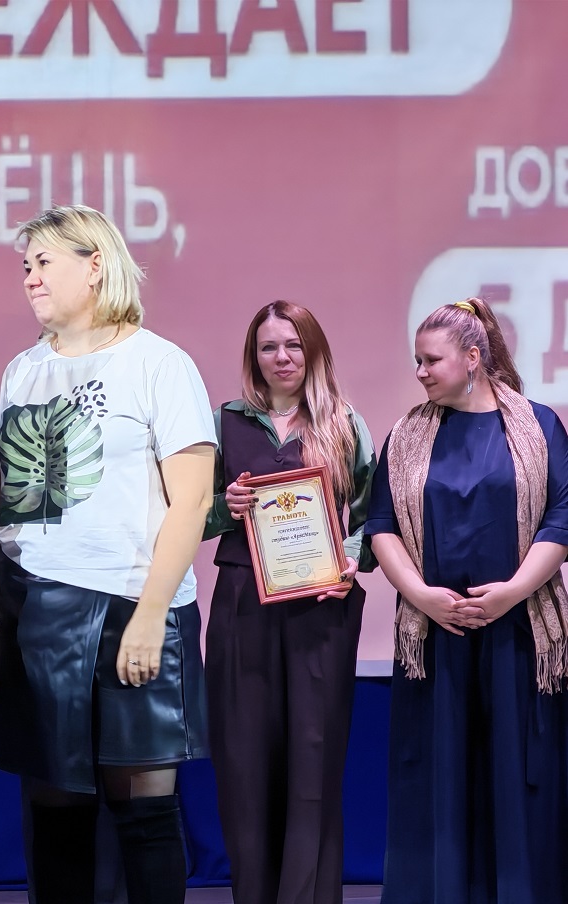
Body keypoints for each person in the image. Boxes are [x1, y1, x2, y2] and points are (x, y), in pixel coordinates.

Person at [0, 204, 216, 904]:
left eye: (44, 262)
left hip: (133, 608)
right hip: (36, 612)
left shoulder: (160, 364)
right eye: (26, 266)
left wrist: (150, 616)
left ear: (95, 265)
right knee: (55, 813)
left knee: (145, 808)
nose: (30, 279)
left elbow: (192, 500)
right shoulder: (22, 371)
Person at [365, 297, 568, 903]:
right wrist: (422, 596)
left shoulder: (539, 426)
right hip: (435, 639)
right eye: (417, 360)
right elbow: (381, 526)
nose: (420, 372)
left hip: (520, 635)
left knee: (517, 778)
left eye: (431, 360)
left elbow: (561, 518)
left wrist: (513, 593)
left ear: (473, 358)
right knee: (438, 777)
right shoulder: (406, 435)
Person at [203, 301, 376, 904]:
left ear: (314, 350)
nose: (282, 357)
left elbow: (374, 517)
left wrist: (351, 559)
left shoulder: (344, 423)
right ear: (253, 356)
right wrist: (224, 506)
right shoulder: (223, 422)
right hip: (241, 606)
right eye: (269, 347)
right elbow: (186, 515)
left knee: (313, 762)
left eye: (294, 345)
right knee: (245, 764)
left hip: (321, 609)